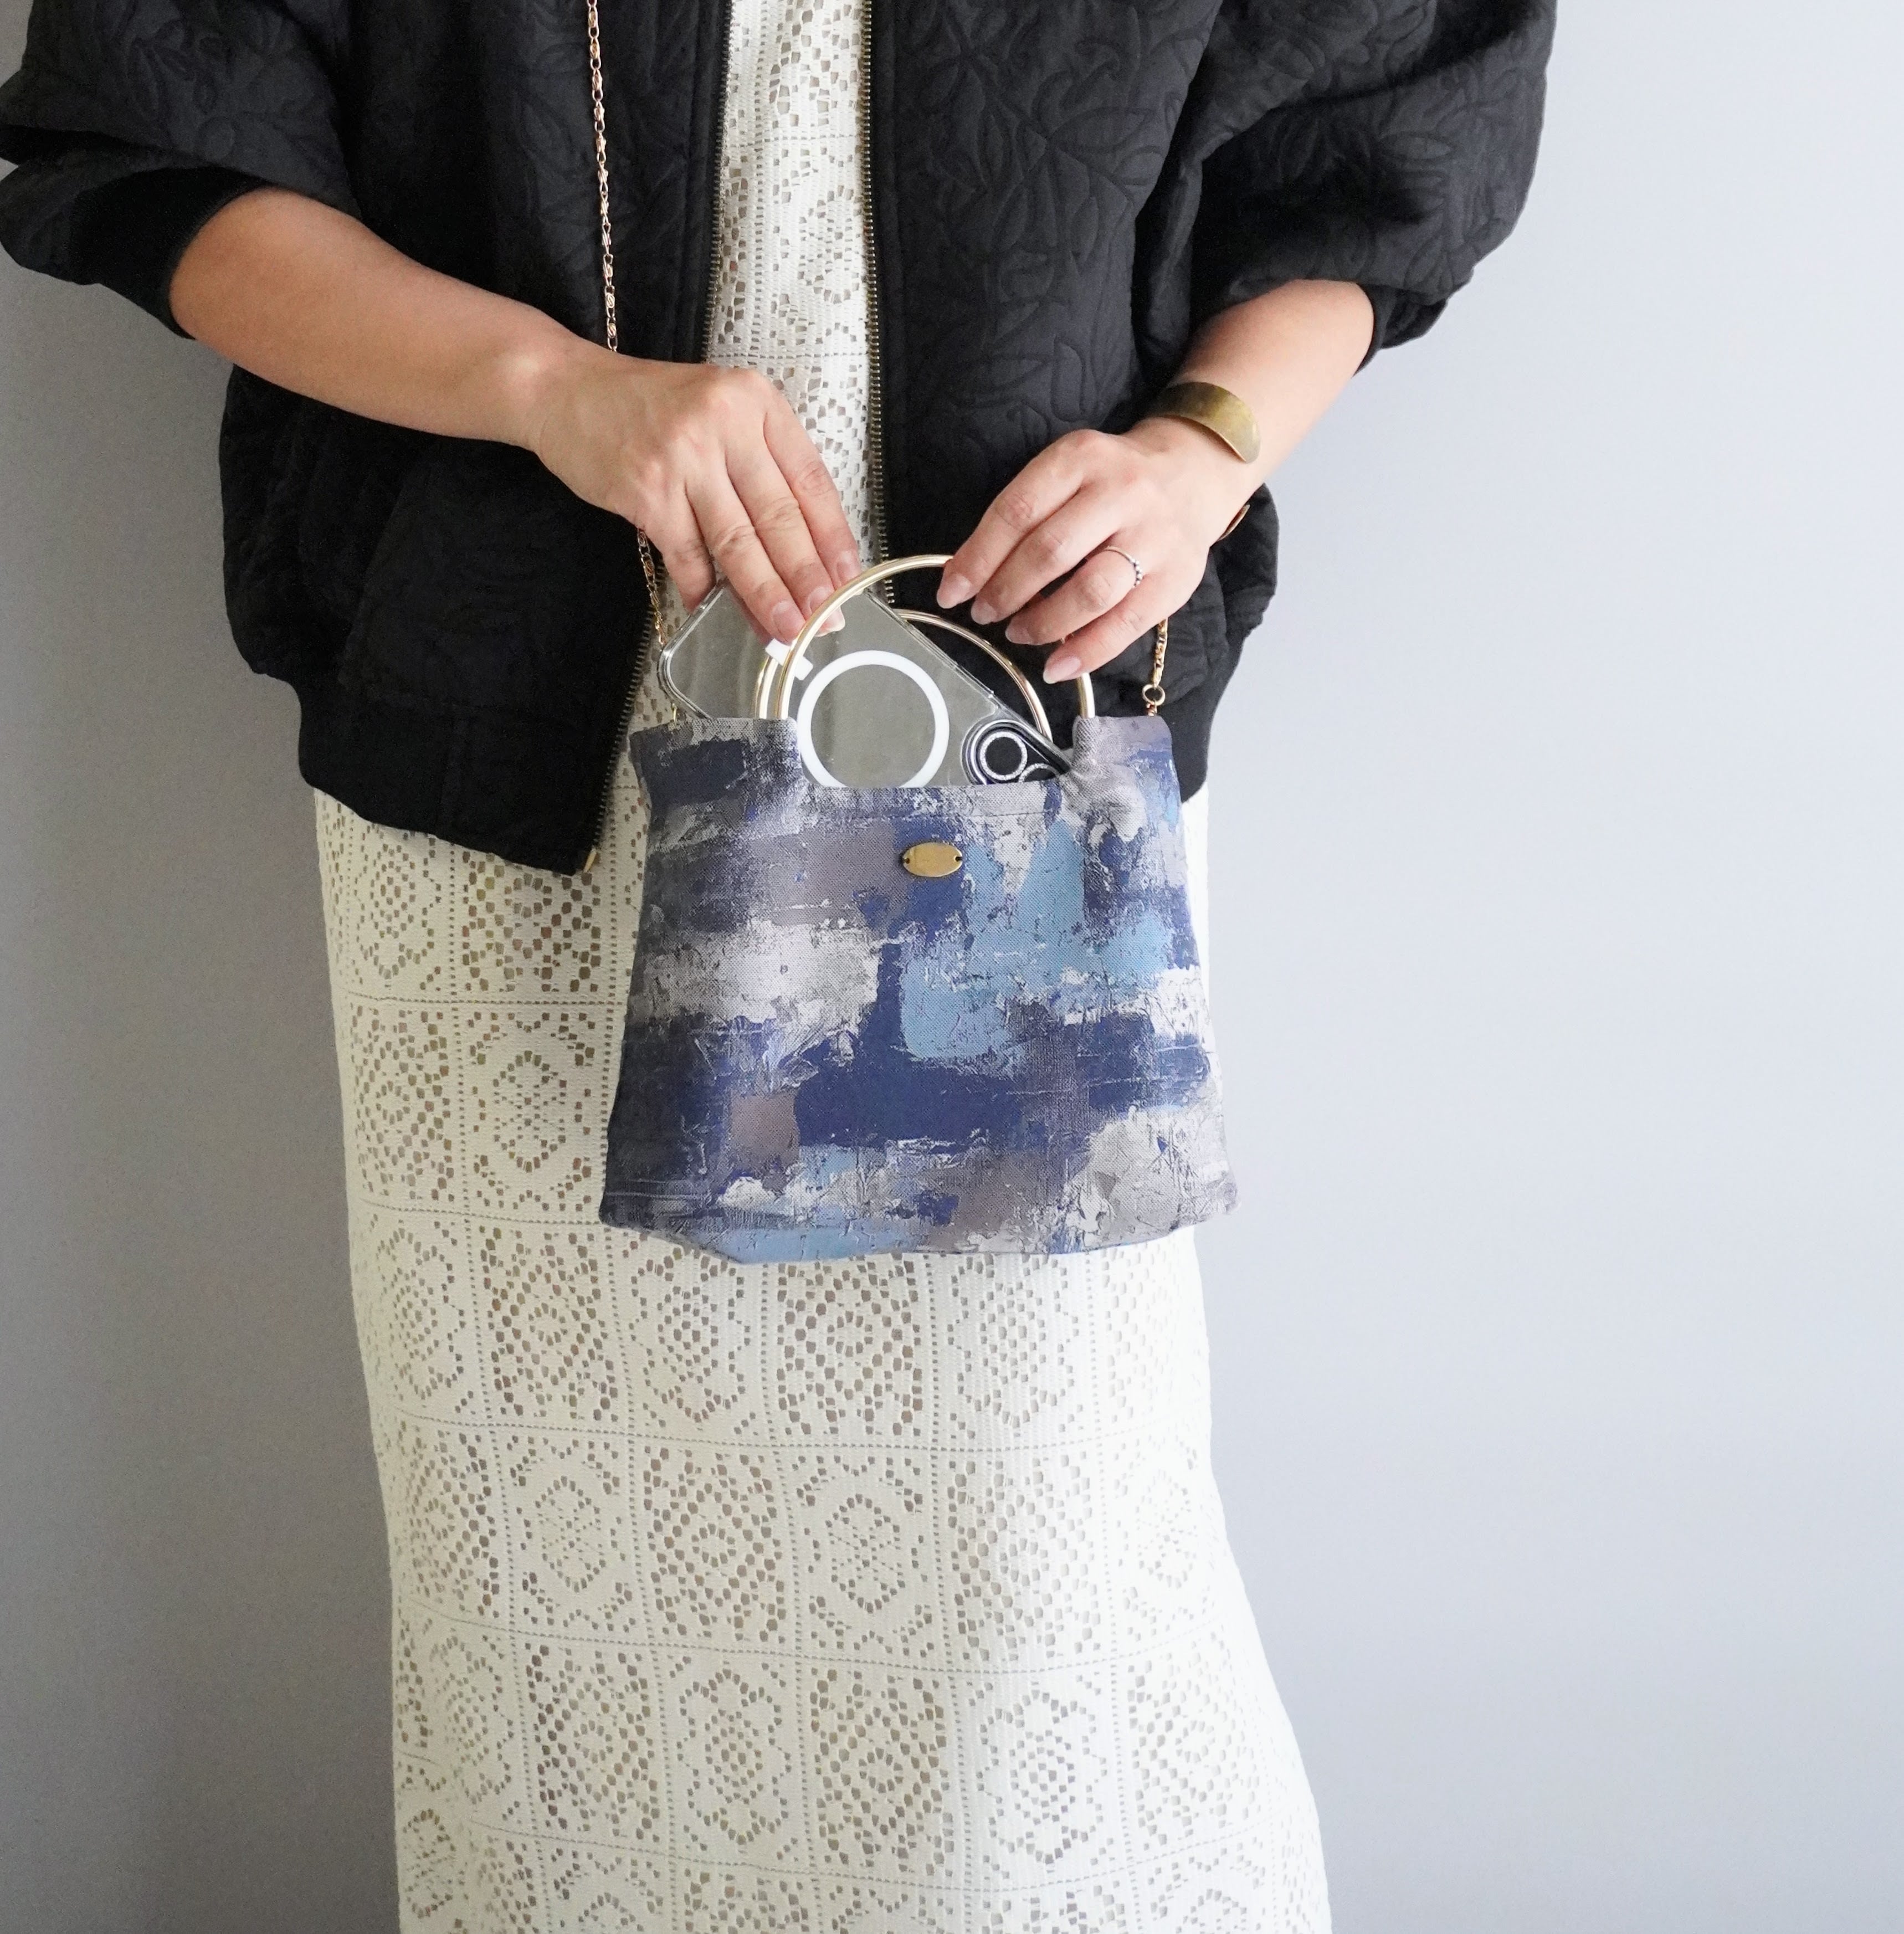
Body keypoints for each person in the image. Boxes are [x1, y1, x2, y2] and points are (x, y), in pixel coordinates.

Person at [0, 1, 1553, 1926]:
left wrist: (1201, 452)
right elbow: (156, 134)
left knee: (1048, 1596)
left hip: (1000, 787)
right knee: (558, 1629)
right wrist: (554, 388)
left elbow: (1388, 127)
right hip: (525, 804)